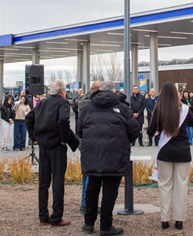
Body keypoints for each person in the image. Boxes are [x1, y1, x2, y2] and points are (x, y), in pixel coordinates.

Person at [77, 81, 139, 235]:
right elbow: (134, 131)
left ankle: (88, 223)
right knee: (110, 191)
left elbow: (79, 130)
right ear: (113, 91)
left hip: (92, 155)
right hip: (115, 155)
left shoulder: (87, 108)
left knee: (92, 188)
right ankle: (105, 225)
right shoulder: (122, 108)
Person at [26, 80, 79, 228]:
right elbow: (63, 120)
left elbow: (28, 118)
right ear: (62, 91)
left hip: (44, 146)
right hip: (56, 146)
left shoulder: (42, 103)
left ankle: (43, 216)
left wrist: (34, 137)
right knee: (57, 181)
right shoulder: (63, 103)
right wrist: (63, 139)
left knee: (43, 182)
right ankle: (56, 217)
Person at [147, 81, 193, 231]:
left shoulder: (159, 109)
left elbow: (150, 131)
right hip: (183, 151)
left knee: (164, 185)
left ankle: (164, 220)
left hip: (165, 152)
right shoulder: (185, 109)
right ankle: (179, 220)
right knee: (181, 185)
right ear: (176, 94)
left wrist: (159, 128)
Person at [77, 81, 101, 214]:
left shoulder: (83, 103)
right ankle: (86, 203)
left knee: (87, 174)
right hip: (90, 143)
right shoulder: (92, 106)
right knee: (89, 175)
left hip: (84, 143)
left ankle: (86, 202)